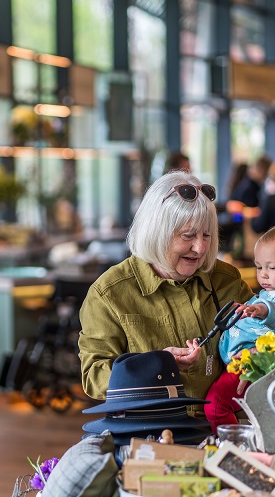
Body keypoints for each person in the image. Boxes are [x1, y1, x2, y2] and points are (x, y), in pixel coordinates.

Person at [78, 171, 254, 417]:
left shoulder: (227, 280)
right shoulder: (109, 293)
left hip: (226, 430)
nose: (200, 247)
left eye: (206, 234)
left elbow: (263, 337)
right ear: (157, 231)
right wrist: (154, 367)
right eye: (188, 235)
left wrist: (257, 353)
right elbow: (94, 377)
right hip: (152, 435)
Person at [204, 225, 275, 431]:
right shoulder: (270, 293)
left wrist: (263, 310)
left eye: (272, 267)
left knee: (215, 405)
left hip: (254, 366)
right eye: (259, 267)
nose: (264, 274)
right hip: (239, 362)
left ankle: (234, 444)